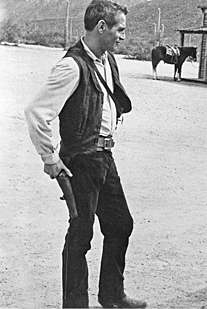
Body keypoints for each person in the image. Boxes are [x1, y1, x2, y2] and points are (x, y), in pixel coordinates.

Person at [24, 1, 147, 308]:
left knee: (120, 225)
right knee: (81, 235)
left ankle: (112, 296)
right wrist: (50, 159)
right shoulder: (71, 66)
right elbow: (36, 112)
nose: (123, 37)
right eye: (119, 29)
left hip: (105, 157)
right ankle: (75, 304)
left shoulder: (107, 60)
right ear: (101, 27)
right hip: (81, 160)